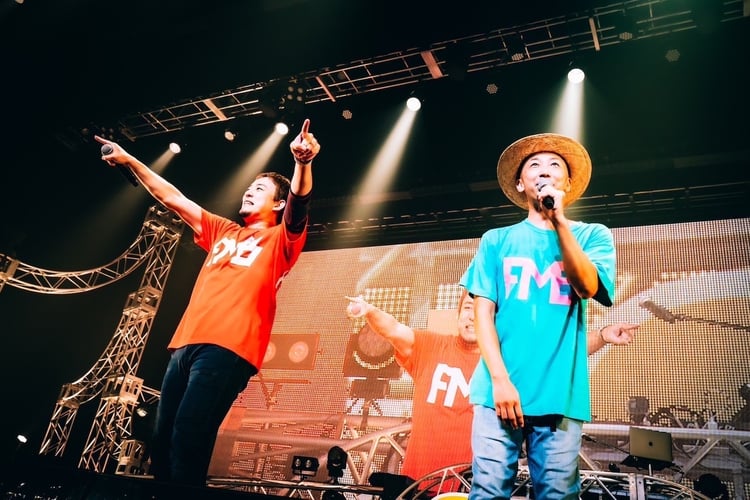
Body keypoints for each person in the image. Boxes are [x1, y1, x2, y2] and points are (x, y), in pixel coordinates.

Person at [94, 119, 320, 487]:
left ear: (278, 203)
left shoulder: (282, 240)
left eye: (260, 189)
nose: (249, 191)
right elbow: (173, 198)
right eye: (249, 186)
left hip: (229, 348)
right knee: (162, 439)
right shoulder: (222, 231)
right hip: (185, 345)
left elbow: (299, 205)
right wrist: (130, 160)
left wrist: (302, 162)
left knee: (189, 435)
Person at [460, 133, 616, 499]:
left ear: (568, 182)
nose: (544, 170)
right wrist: (500, 381)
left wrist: (558, 221)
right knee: (487, 491)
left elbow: (586, 287)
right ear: (520, 183)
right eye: (534, 165)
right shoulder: (496, 240)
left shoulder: (593, 235)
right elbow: (483, 312)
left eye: (554, 165)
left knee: (558, 494)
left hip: (560, 397)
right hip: (497, 392)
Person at [345, 289, 636, 482]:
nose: (472, 316)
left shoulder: (508, 359)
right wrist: (369, 310)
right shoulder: (429, 346)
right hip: (420, 485)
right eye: (467, 308)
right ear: (458, 314)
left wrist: (602, 336)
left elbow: (558, 353)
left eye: (482, 311)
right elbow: (394, 329)